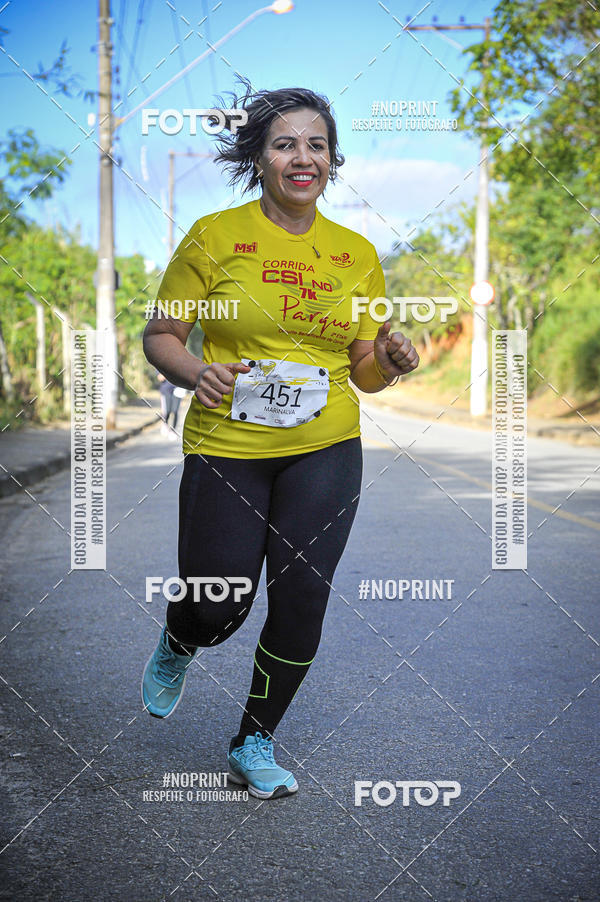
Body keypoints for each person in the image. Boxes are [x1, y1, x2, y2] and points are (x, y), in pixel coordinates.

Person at [141, 85, 419, 800]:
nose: (303, 157)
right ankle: (181, 637)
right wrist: (197, 371)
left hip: (326, 446)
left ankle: (254, 739)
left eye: (317, 145)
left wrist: (388, 362)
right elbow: (162, 334)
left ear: (332, 161)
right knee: (219, 601)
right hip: (227, 444)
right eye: (285, 143)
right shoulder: (213, 236)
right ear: (260, 159)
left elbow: (364, 370)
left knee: (302, 596)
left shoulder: (356, 254)